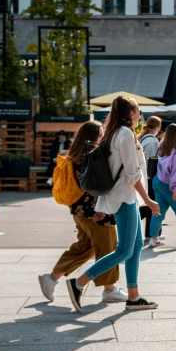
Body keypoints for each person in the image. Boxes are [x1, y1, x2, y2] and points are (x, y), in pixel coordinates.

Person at [66, 96, 161, 312]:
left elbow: (109, 172)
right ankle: (78, 282)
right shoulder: (125, 134)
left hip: (121, 198)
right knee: (124, 250)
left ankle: (134, 296)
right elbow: (130, 174)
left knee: (135, 247)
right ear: (130, 113)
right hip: (126, 198)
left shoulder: (113, 133)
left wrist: (102, 205)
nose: (140, 115)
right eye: (138, 111)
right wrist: (148, 200)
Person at [38, 121, 127, 304]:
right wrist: (102, 209)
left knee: (85, 247)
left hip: (79, 211)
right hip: (95, 212)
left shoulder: (74, 156)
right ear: (93, 137)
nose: (103, 138)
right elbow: (95, 187)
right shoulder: (91, 156)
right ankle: (109, 290)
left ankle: (51, 277)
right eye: (101, 135)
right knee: (108, 248)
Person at [138, 116, 163, 243]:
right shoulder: (152, 141)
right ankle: (152, 233)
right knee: (151, 205)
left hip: (143, 176)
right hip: (149, 177)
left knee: (146, 206)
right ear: (157, 127)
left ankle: (154, 232)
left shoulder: (143, 138)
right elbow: (152, 161)